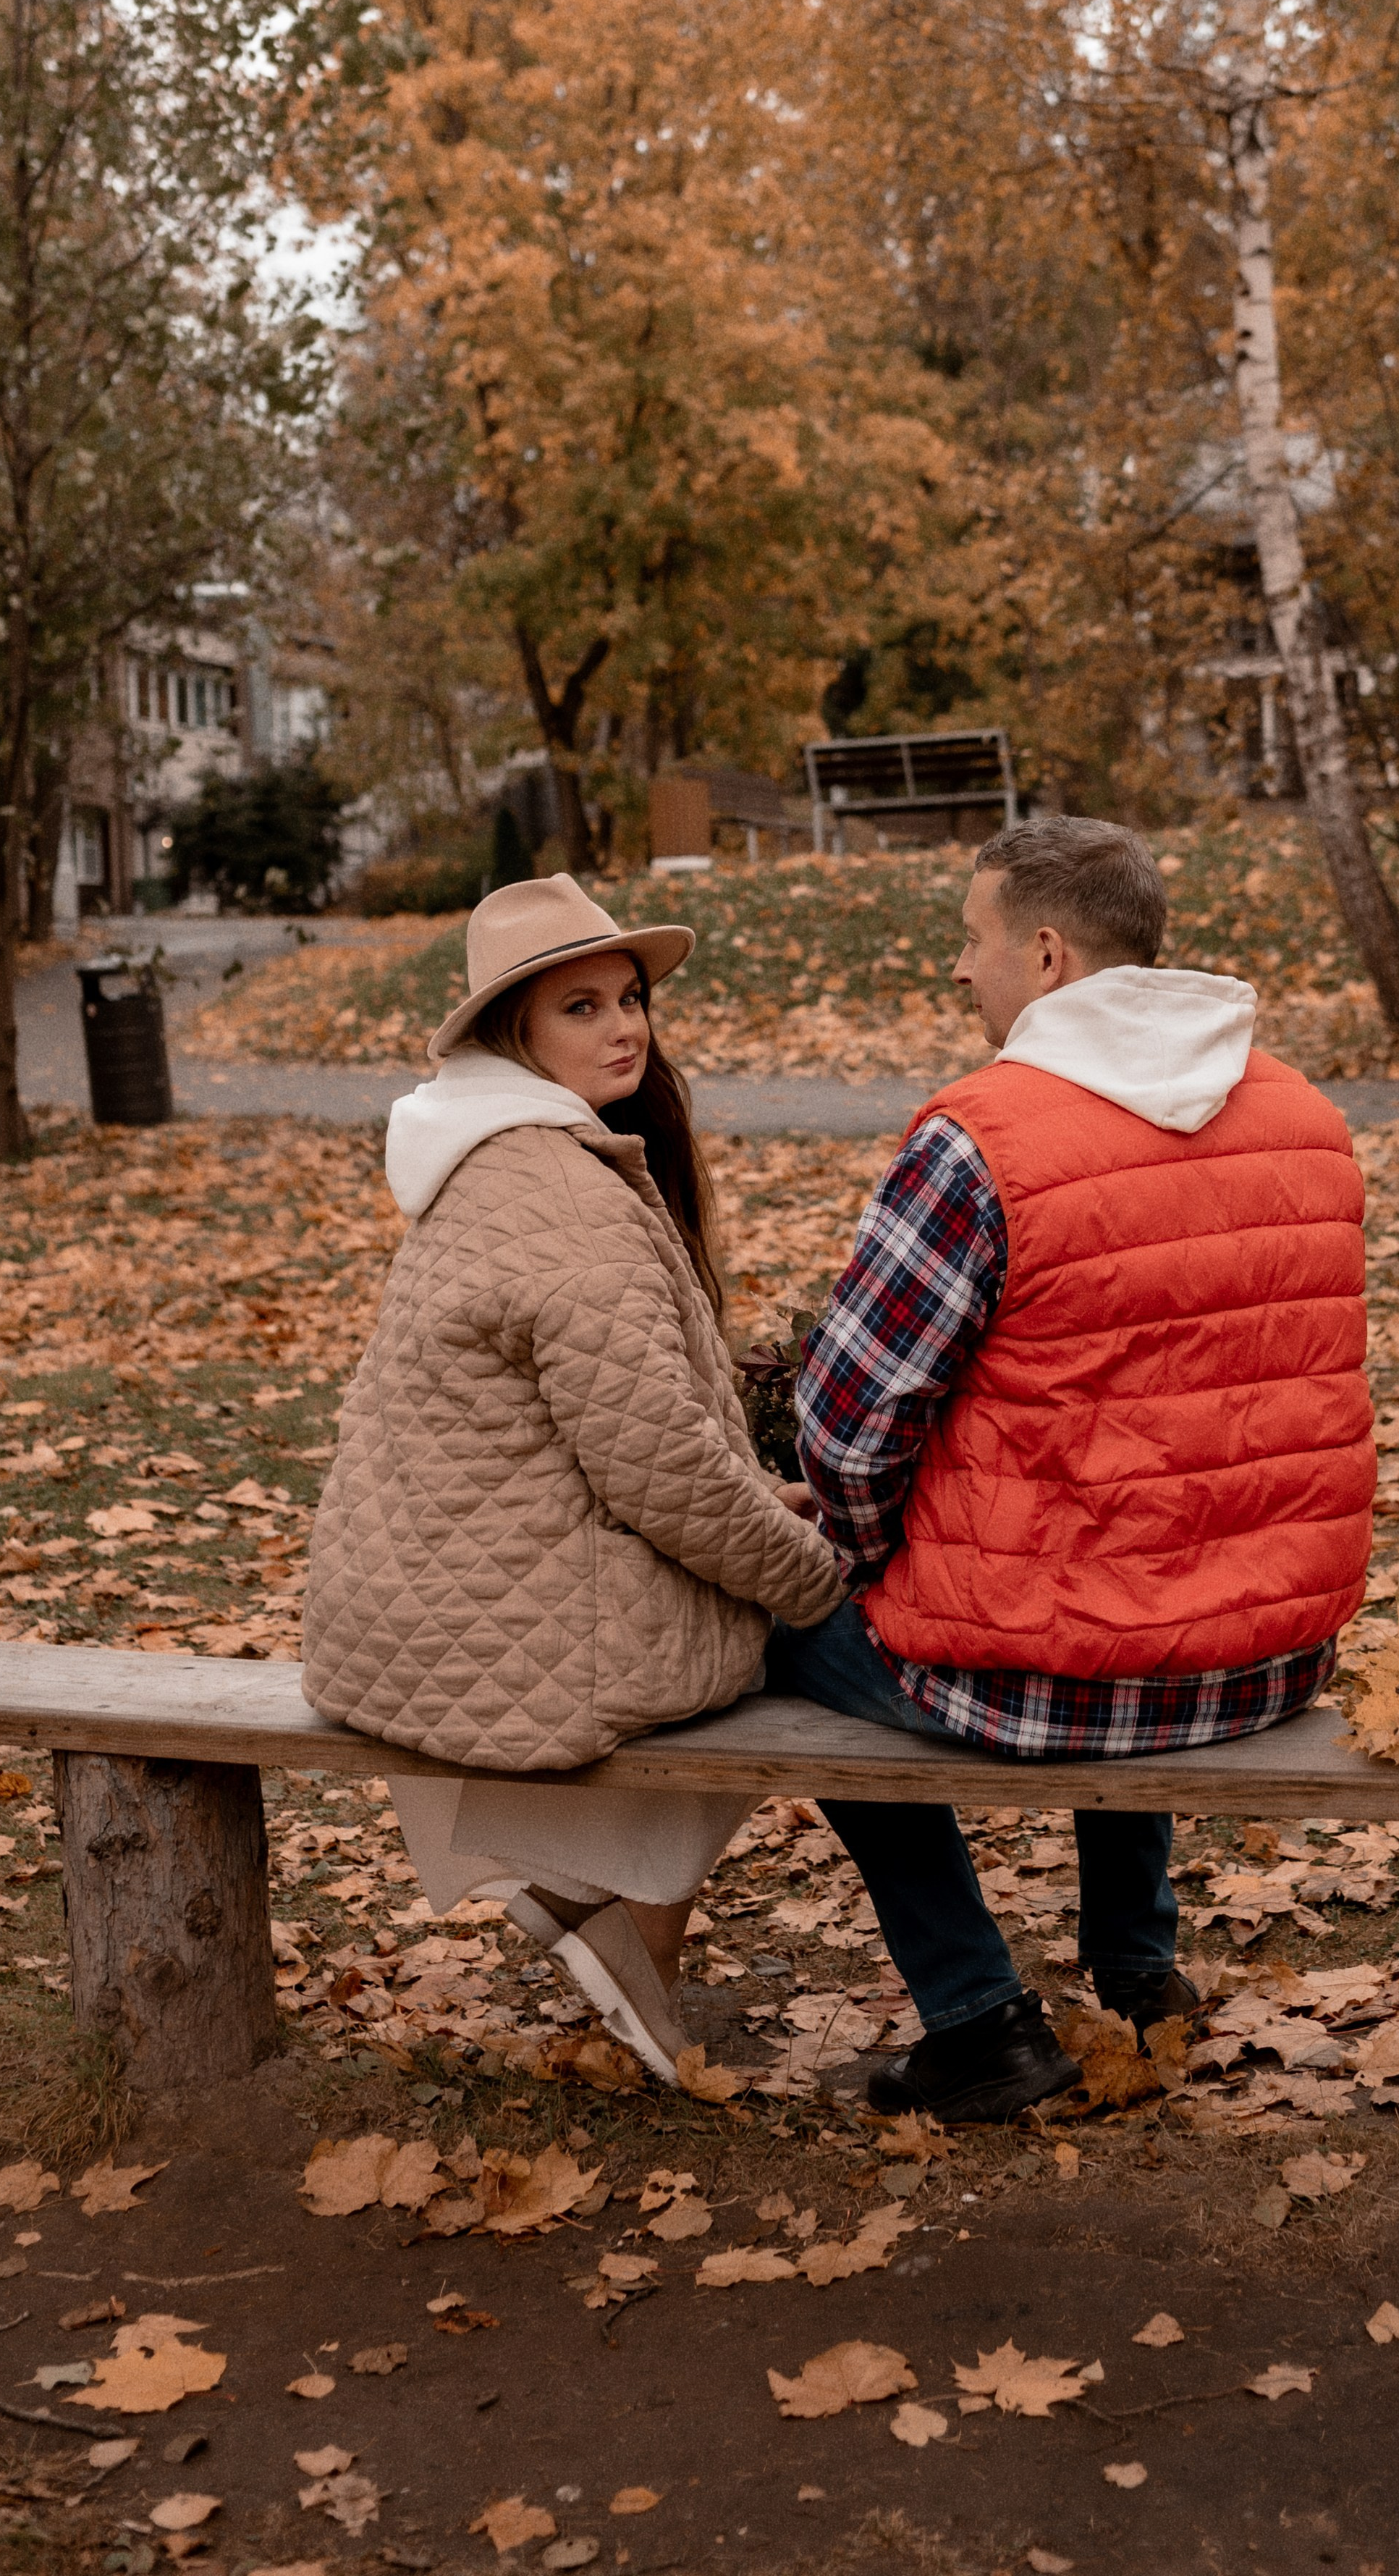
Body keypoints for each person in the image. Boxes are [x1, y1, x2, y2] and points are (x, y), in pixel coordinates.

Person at [772, 815, 1374, 2126]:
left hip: (1057, 1680)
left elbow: (847, 1429)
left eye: (971, 942)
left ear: (1044, 954)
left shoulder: (977, 1140)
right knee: (1124, 1545)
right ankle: (1139, 1968)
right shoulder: (1305, 1117)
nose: (960, 970)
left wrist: (859, 1554)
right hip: (1262, 1655)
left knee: (780, 1621)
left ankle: (977, 2016)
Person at [303, 872, 841, 2087]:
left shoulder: (490, 1163)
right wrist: (810, 1570)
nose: (624, 1028)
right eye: (580, 1009)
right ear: (513, 1036)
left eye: (630, 999)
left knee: (743, 1648)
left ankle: (632, 1968)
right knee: (818, 1662)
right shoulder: (560, 1197)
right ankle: (598, 1906)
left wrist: (760, 1505)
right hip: (489, 1623)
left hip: (409, 1609)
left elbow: (623, 1446)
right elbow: (664, 1480)